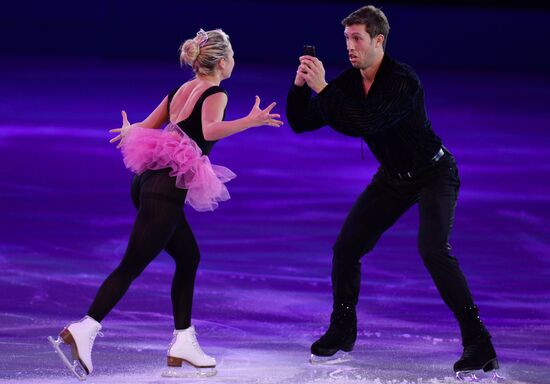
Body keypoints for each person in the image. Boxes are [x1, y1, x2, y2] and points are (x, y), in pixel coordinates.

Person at [48, 28, 283, 380]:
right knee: (131, 265)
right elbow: (210, 129)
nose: (234, 61)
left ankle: (183, 342)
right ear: (221, 62)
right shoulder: (216, 92)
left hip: (145, 182)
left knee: (188, 256)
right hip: (164, 190)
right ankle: (84, 329)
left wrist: (130, 132)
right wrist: (251, 121)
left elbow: (146, 126)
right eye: (232, 56)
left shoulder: (180, 90)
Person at [286, 5, 498, 377]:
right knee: (347, 248)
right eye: (346, 38)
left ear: (378, 40)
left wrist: (324, 88)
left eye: (357, 38)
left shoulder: (403, 80)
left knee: (434, 251)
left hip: (434, 172)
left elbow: (363, 121)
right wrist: (301, 86)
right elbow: (302, 122)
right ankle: (343, 328)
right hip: (393, 178)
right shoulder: (351, 82)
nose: (349, 46)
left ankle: (479, 342)